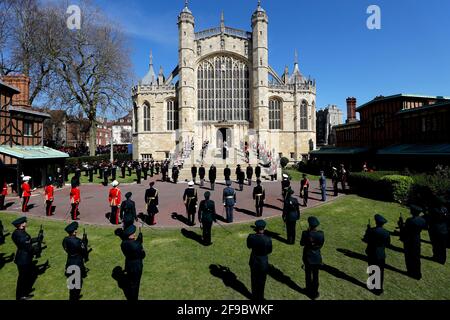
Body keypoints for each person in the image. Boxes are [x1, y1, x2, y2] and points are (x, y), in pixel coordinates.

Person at [11, 217, 39, 300]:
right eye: (24, 222)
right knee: (23, 278)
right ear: (21, 224)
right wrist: (36, 248)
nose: (25, 223)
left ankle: (24, 292)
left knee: (25, 277)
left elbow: (28, 241)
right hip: (24, 259)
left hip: (22, 257)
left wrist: (37, 239)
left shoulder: (17, 232)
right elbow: (28, 247)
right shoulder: (21, 235)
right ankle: (21, 296)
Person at [363, 214, 390, 295]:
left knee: (372, 269)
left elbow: (365, 240)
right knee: (380, 272)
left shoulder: (371, 231)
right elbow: (388, 244)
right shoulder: (386, 232)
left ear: (376, 222)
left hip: (372, 252)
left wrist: (367, 231)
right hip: (381, 254)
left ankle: (373, 287)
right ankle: (379, 288)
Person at [398, 205, 427, 280]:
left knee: (409, 256)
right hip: (417, 239)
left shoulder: (410, 220)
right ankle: (417, 272)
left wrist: (401, 224)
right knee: (416, 256)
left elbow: (405, 229)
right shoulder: (422, 220)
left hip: (409, 239)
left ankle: (410, 271)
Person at [247, 220, 272, 301]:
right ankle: (260, 297)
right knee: (262, 281)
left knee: (254, 280)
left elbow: (249, 246)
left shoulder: (251, 237)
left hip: (254, 260)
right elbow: (269, 251)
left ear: (256, 228)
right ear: (264, 228)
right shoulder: (268, 239)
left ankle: (254, 297)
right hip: (263, 261)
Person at [300, 216, 325, 300]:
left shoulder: (305, 233)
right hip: (317, 257)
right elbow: (321, 245)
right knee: (315, 275)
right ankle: (314, 293)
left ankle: (308, 290)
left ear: (309, 225)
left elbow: (301, 244)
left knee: (308, 275)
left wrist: (307, 234)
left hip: (308, 257)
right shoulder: (321, 234)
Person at [62, 222, 87, 301]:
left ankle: (72, 297)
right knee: (76, 285)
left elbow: (65, 248)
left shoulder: (65, 239)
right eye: (75, 230)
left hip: (69, 262)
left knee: (71, 283)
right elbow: (84, 252)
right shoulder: (78, 241)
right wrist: (84, 242)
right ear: (74, 232)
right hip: (77, 263)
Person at [120, 225, 145, 301]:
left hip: (128, 265)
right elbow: (143, 255)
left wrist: (139, 239)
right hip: (136, 267)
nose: (134, 234)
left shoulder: (123, 243)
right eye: (132, 234)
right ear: (129, 236)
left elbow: (135, 243)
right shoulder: (136, 245)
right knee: (135, 284)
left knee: (131, 283)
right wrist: (140, 245)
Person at [426, 199, 448, 265]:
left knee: (435, 244)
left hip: (435, 229)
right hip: (444, 229)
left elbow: (430, 218)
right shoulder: (445, 209)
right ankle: (442, 259)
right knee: (442, 246)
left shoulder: (434, 210)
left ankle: (436, 256)